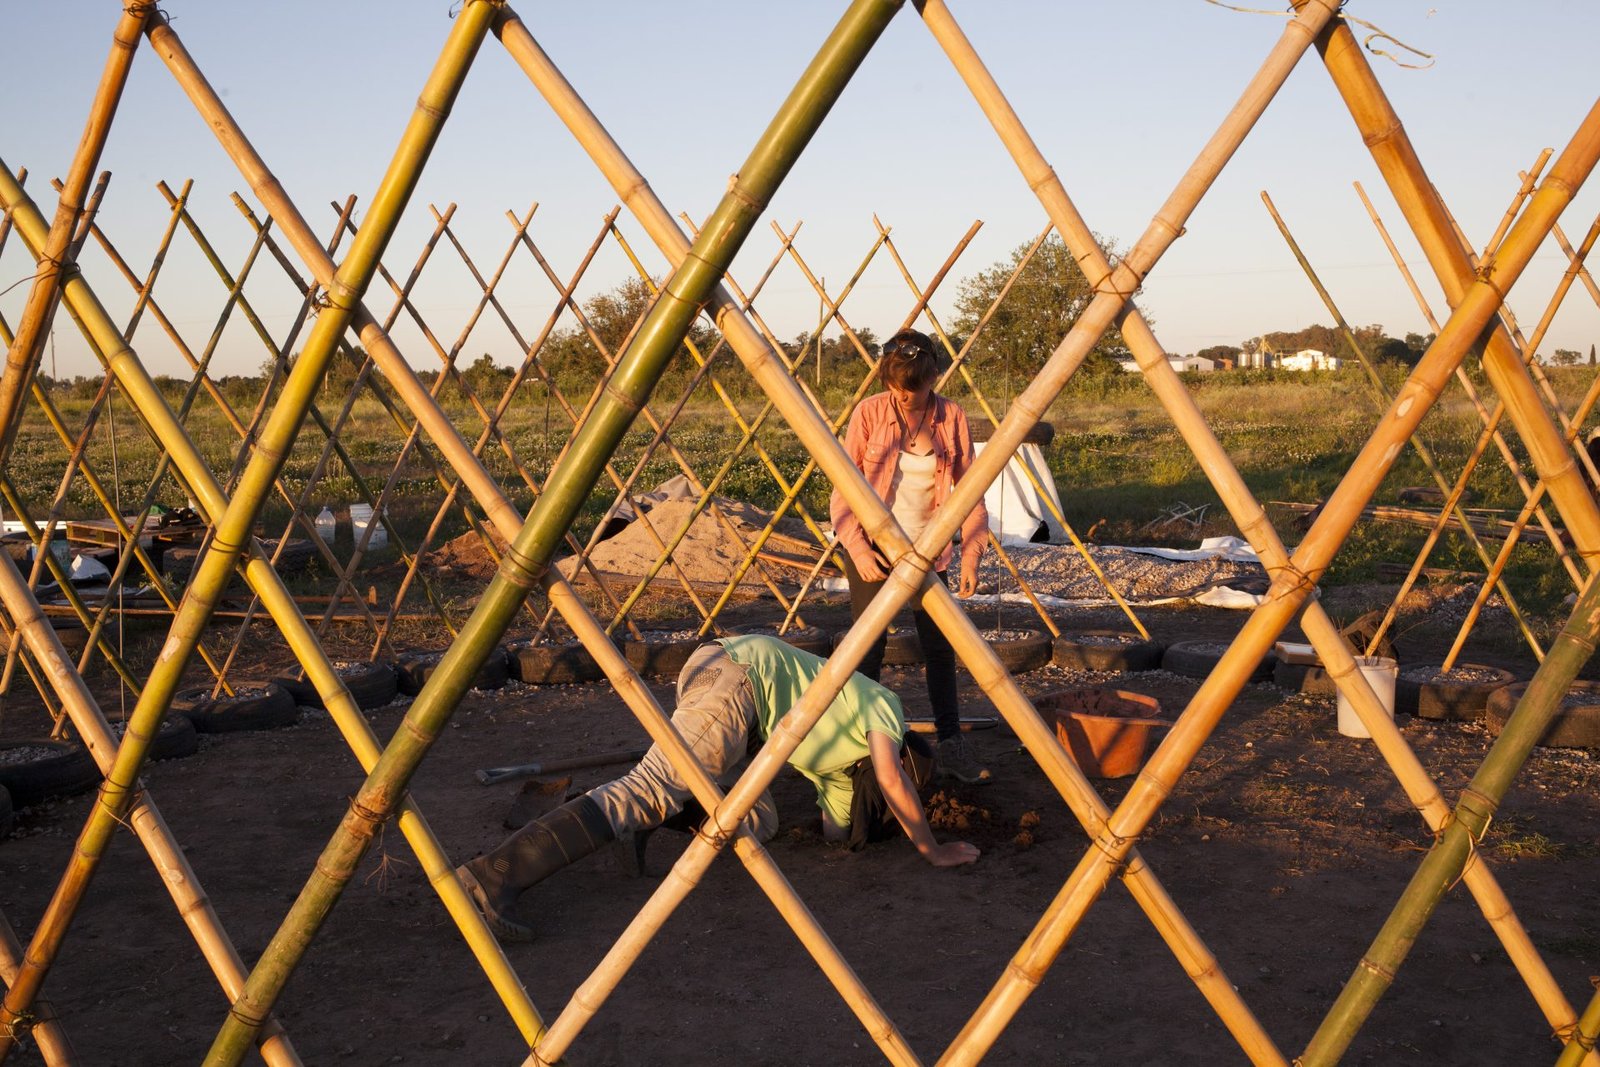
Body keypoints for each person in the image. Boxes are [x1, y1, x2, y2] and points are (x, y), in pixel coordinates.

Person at [457, 634, 978, 943]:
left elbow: (836, 830)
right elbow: (889, 778)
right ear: (902, 749)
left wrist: (869, 829)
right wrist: (929, 848)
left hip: (734, 703)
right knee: (650, 786)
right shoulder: (885, 705)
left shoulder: (841, 773)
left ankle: (639, 824)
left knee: (757, 822)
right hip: (741, 675)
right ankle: (498, 872)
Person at [830, 327, 992, 784]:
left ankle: (951, 743)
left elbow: (971, 492)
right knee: (869, 647)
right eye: (894, 386)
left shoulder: (951, 417)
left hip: (929, 551)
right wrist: (857, 549)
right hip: (873, 550)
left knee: (940, 646)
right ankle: (864, 747)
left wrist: (971, 554)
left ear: (932, 378)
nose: (902, 396)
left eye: (911, 388)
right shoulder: (869, 413)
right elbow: (844, 490)